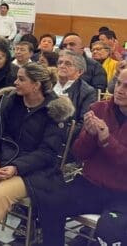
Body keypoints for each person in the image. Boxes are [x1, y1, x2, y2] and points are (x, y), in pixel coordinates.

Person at [0, 63, 75, 246]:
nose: (15, 82)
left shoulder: (54, 111)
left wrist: (16, 167)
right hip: (2, 161)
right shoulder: (9, 101)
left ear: (36, 85)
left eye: (21, 79)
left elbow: (47, 153)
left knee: (2, 193)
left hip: (35, 171)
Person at [40, 68, 127, 246]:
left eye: (126, 86)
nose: (119, 89)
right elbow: (79, 153)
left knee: (111, 230)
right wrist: (89, 134)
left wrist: (106, 140)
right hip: (90, 185)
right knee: (49, 202)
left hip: (122, 194)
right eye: (118, 83)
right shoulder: (99, 108)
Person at [54, 50, 97, 135]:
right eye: (60, 62)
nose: (62, 66)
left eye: (68, 64)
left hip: (63, 134)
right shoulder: (48, 83)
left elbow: (83, 123)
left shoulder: (88, 92)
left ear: (80, 71)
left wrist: (64, 134)